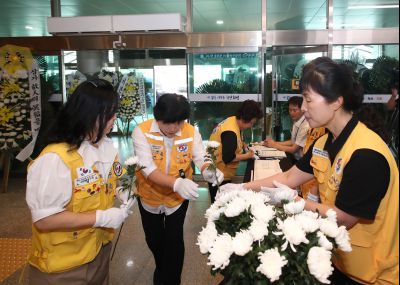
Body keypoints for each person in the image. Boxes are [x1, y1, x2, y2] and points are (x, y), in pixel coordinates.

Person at [225, 57, 398, 285]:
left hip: (370, 274)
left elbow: (344, 218)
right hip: (337, 261)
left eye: (308, 99)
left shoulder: (366, 154)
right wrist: (240, 188)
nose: (303, 108)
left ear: (336, 102)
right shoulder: (323, 143)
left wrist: (295, 202)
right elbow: (289, 177)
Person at [26, 79, 132, 285]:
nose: (114, 119)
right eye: (109, 114)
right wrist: (100, 217)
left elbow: (115, 179)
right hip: (63, 267)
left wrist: (122, 191)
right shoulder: (55, 159)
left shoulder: (106, 146)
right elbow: (44, 219)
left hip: (99, 252)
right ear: (89, 115)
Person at [131, 93, 223, 285]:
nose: (174, 128)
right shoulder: (142, 131)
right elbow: (147, 168)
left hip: (178, 198)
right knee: (154, 240)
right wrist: (175, 183)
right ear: (158, 117)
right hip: (150, 196)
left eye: (179, 122)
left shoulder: (190, 131)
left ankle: (170, 280)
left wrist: (209, 170)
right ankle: (163, 269)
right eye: (168, 123)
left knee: (174, 240)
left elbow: (201, 156)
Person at [208, 100, 263, 203]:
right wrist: (248, 155)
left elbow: (237, 140)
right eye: (251, 123)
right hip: (219, 174)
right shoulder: (230, 132)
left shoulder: (233, 121)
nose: (251, 126)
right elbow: (228, 157)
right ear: (245, 118)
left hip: (220, 172)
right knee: (220, 204)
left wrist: (244, 146)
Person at [263, 96, 309, 162]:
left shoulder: (305, 125)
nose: (291, 113)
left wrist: (274, 145)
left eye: (294, 110)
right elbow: (292, 141)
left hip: (301, 161)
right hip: (294, 157)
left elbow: (294, 149)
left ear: (302, 109)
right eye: (290, 110)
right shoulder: (297, 120)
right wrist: (273, 143)